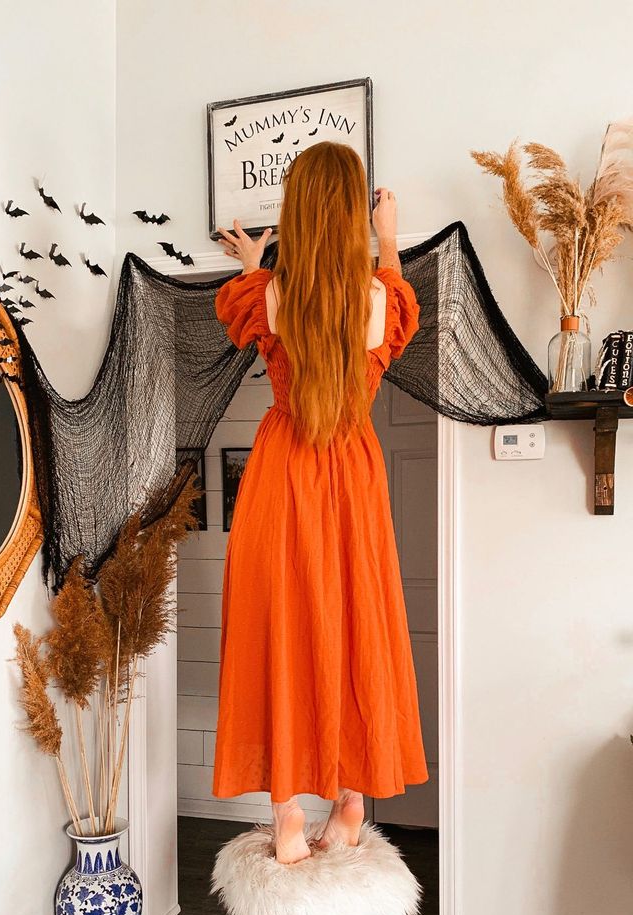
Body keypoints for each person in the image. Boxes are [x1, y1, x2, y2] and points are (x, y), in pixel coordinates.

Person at [212, 141, 428, 864]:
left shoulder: (272, 294)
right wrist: (391, 237)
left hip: (282, 471)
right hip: (351, 475)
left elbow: (260, 303)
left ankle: (287, 821)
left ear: (297, 211)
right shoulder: (375, 298)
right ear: (352, 216)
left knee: (279, 623)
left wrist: (254, 261)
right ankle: (351, 805)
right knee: (353, 621)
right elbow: (396, 309)